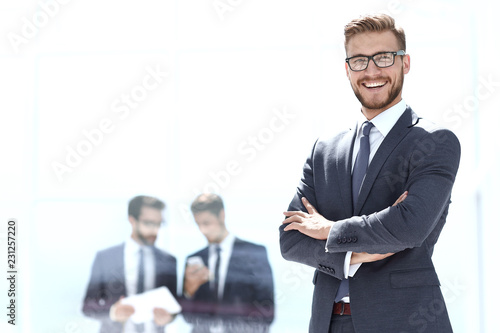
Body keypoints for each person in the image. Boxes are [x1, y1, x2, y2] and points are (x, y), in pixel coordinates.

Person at [279, 13, 460, 333]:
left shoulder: (435, 142)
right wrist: (354, 255)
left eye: (384, 58)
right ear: (347, 69)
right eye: (360, 60)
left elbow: (409, 227)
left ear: (405, 63)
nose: (372, 70)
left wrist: (330, 230)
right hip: (328, 322)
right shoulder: (324, 150)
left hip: (404, 322)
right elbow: (291, 240)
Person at [82, 195, 178, 333]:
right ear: (132, 220)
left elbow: (175, 305)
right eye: (149, 223)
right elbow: (88, 306)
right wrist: (112, 313)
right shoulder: (106, 258)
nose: (155, 230)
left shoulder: (169, 260)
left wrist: (169, 317)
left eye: (159, 224)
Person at [181, 193, 275, 332]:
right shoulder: (194, 260)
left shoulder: (254, 253)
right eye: (198, 224)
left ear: (221, 215)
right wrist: (189, 291)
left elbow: (267, 309)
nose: (202, 230)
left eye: (206, 223)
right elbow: (186, 316)